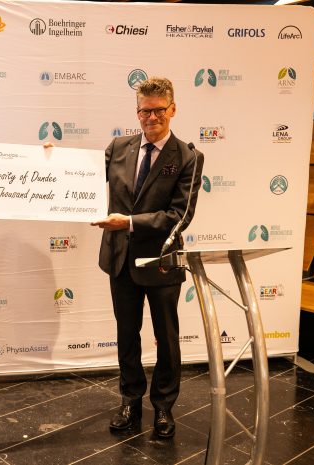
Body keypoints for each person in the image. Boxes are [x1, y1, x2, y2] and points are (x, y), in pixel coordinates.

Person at [91, 76, 204, 438]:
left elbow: (179, 215)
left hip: (161, 262)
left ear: (173, 109)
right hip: (120, 259)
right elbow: (81, 178)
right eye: (145, 111)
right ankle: (130, 400)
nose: (151, 117)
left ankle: (164, 407)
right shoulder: (117, 147)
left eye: (159, 110)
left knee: (166, 338)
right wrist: (51, 161)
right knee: (127, 335)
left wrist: (128, 222)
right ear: (137, 111)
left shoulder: (188, 157)